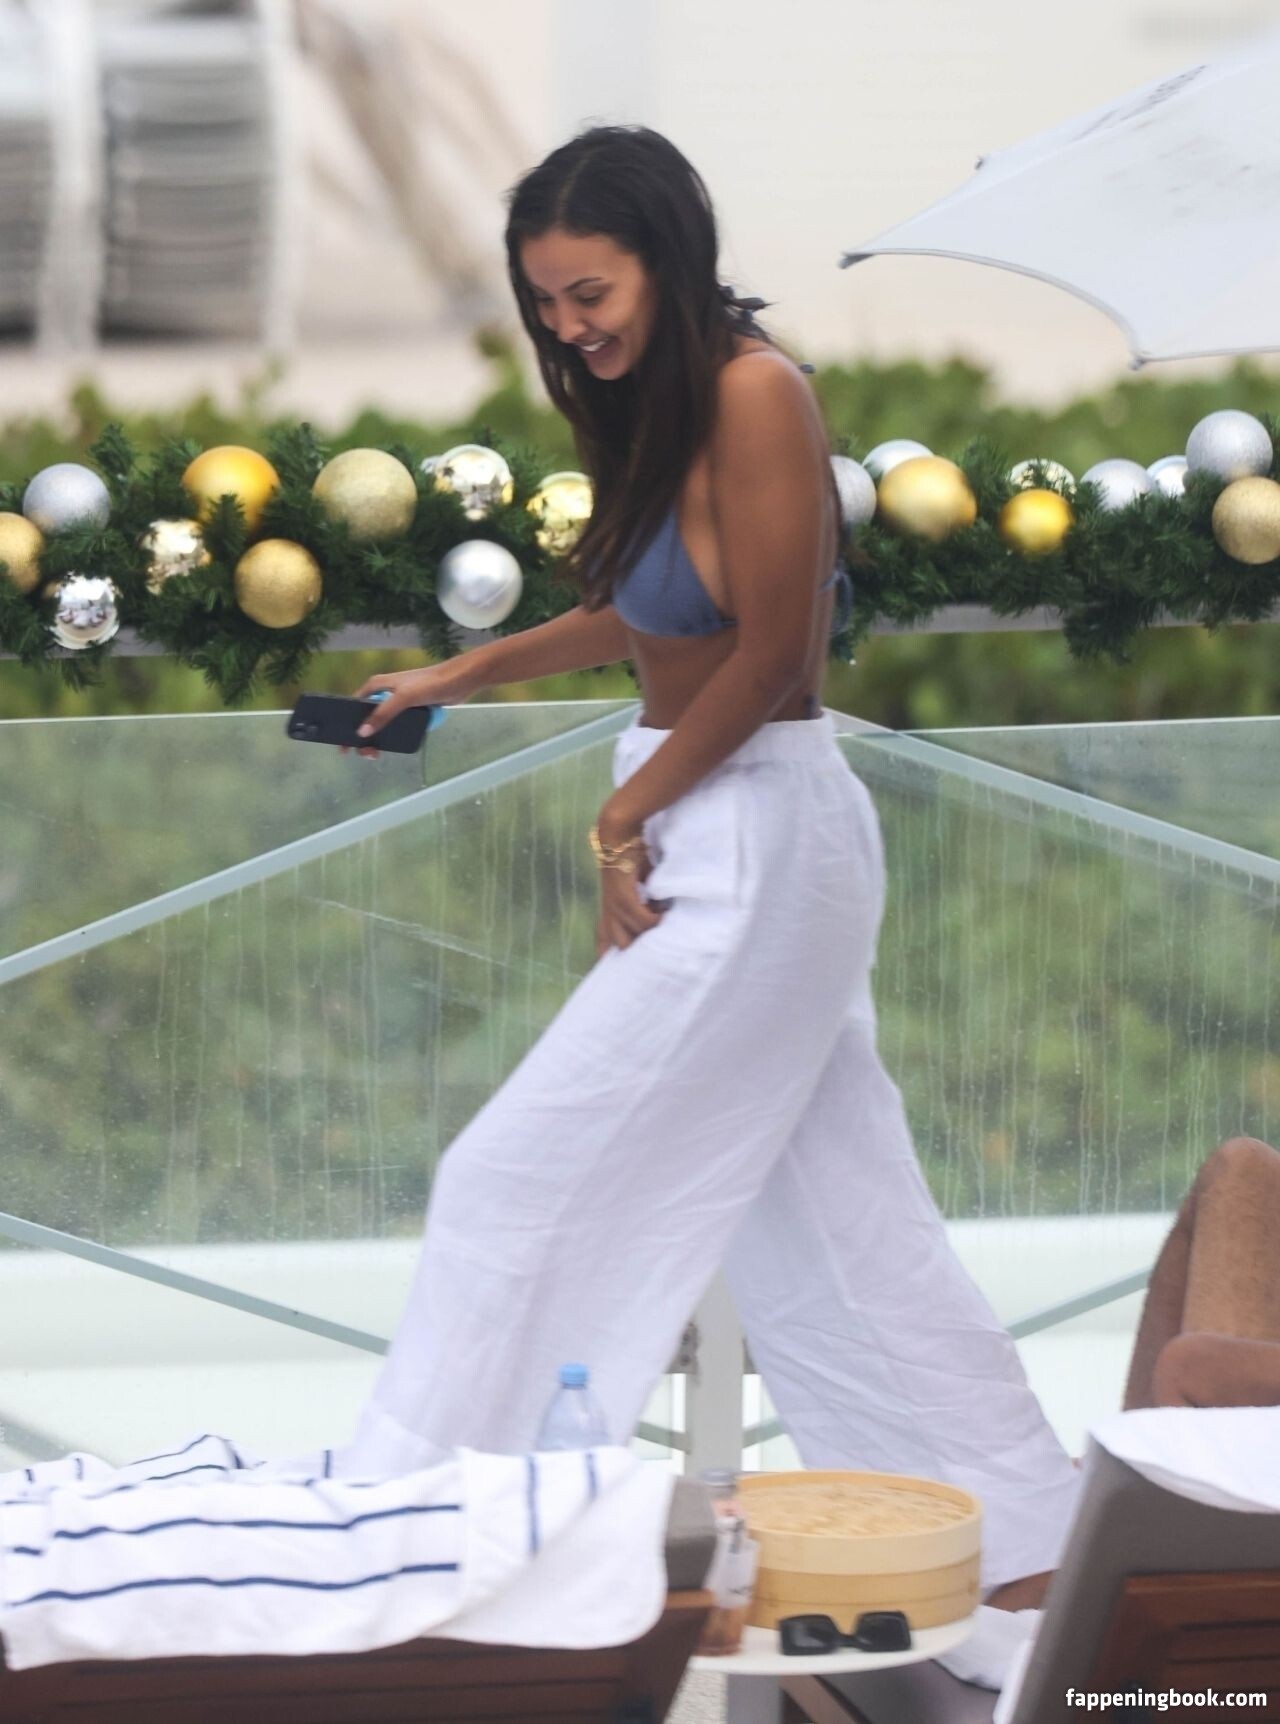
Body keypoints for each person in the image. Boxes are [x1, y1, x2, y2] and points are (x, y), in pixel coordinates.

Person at [341, 124, 1079, 1601]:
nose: (570, 326)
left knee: (506, 1182)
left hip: (758, 835)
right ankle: (1026, 1543)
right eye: (546, 301)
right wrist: (456, 673)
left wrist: (628, 819)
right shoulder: (659, 401)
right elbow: (649, 614)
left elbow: (777, 656)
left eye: (592, 293)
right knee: (841, 1230)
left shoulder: (756, 394)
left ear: (667, 261)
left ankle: (431, 1546)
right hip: (713, 818)